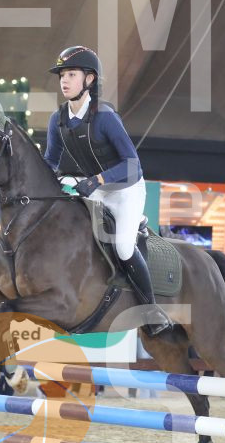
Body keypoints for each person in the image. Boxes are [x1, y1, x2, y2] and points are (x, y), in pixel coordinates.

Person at [40, 45, 171, 334]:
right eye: (62, 75)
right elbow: (50, 160)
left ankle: (151, 311)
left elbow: (133, 165)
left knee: (123, 246)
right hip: (95, 189)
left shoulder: (105, 117)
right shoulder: (57, 120)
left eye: (71, 74)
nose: (64, 80)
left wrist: (97, 180)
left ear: (89, 80)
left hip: (126, 189)